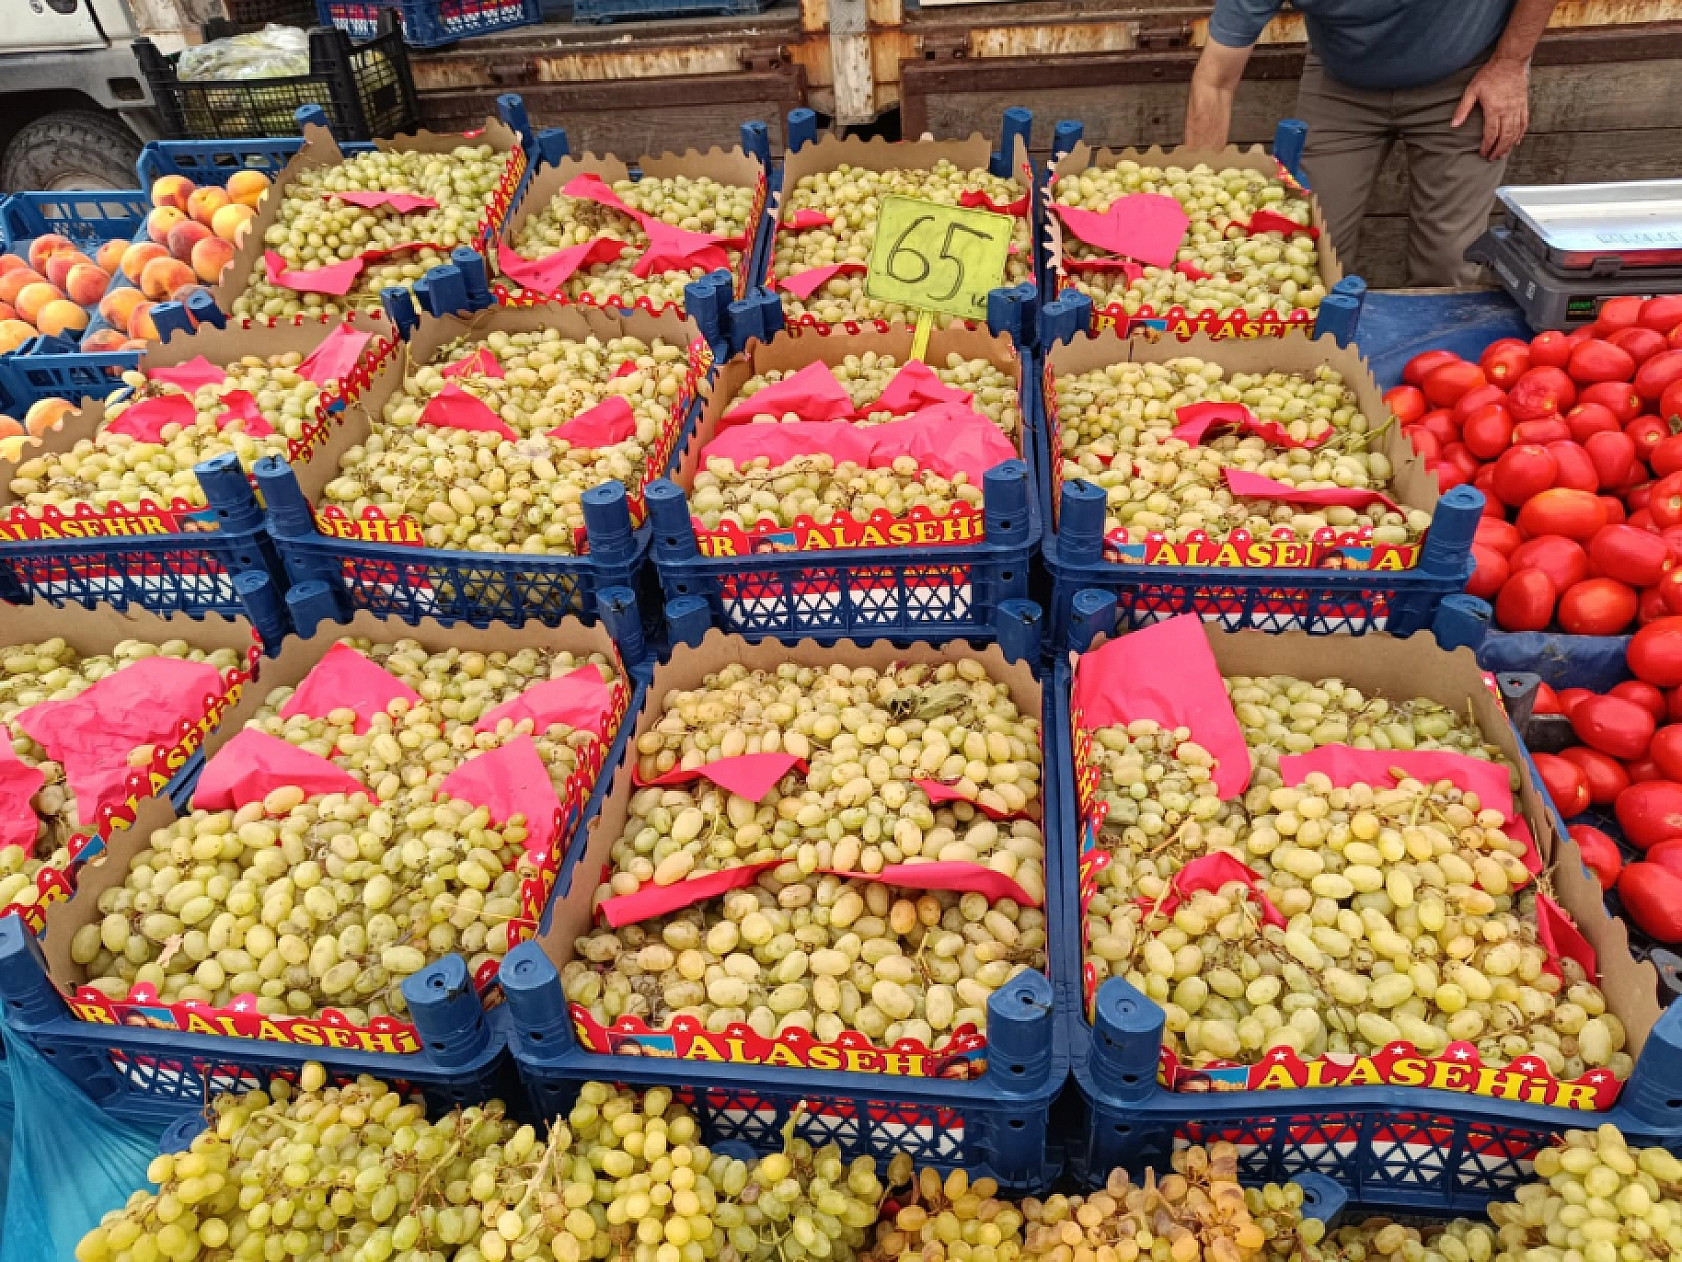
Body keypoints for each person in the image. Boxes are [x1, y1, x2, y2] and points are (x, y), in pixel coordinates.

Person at [1183, 0, 1559, 286]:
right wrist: (1200, 205)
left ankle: (1436, 373)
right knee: (1308, 254)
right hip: (1341, 79)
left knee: (1450, 261)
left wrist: (1510, 64)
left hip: (1466, 74)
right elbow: (1214, 81)